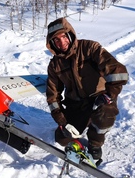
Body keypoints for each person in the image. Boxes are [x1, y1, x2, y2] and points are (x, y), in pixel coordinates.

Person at [46, 17, 128, 160]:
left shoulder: (90, 48)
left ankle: (95, 142)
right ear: (52, 43)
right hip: (77, 104)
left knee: (106, 111)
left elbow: (118, 71)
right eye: (56, 40)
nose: (62, 42)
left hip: (99, 98)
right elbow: (53, 95)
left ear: (70, 34)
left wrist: (109, 94)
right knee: (62, 139)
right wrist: (61, 119)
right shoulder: (54, 65)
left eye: (64, 36)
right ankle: (85, 120)